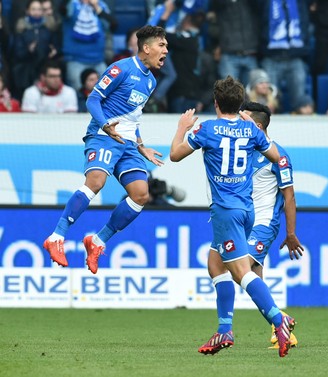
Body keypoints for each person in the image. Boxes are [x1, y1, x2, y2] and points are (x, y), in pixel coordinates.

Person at [169, 76, 297, 358]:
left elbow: (175, 155)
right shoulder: (250, 130)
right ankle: (224, 329)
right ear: (239, 104)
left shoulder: (207, 129)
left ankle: (279, 319)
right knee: (215, 265)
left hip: (225, 210)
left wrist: (181, 128)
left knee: (241, 272)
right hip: (246, 209)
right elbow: (276, 155)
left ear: (215, 103)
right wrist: (252, 131)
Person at [42, 25, 167, 274]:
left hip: (128, 143)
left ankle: (97, 241)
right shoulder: (121, 68)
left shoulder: (151, 81)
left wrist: (142, 146)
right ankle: (56, 237)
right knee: (96, 182)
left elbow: (133, 117)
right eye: (162, 45)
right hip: (104, 136)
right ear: (146, 47)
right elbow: (93, 99)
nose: (166, 51)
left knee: (141, 194)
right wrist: (106, 125)